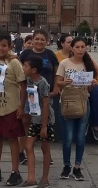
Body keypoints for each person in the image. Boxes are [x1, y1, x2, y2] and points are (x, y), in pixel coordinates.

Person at [56, 37, 98, 181]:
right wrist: (64, 82)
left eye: (82, 47)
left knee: (80, 138)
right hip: (67, 103)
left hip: (83, 103)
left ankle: (77, 167)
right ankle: (66, 165)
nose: (80, 50)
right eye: (77, 47)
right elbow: (58, 82)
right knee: (67, 138)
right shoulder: (64, 63)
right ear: (71, 48)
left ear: (86, 48)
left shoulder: (88, 64)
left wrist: (92, 84)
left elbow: (89, 86)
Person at [0, 32, 26, 186]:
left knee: (12, 139)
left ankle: (15, 171)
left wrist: (21, 106)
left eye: (4, 45)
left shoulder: (14, 63)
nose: (0, 48)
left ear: (10, 47)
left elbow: (23, 85)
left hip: (10, 107)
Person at [18, 29, 59, 165]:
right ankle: (22, 152)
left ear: (47, 41)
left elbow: (56, 73)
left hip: (44, 95)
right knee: (26, 123)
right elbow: (19, 69)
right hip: (29, 95)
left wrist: (55, 89)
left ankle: (46, 153)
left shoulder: (50, 54)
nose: (39, 42)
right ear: (32, 40)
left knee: (43, 122)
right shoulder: (25, 54)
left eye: (42, 39)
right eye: (37, 39)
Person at [23, 55, 55, 188]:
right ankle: (31, 178)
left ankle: (45, 178)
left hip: (44, 120)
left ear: (34, 69)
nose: (23, 68)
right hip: (34, 118)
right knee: (28, 146)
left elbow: (46, 105)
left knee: (45, 148)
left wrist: (44, 127)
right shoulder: (29, 79)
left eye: (25, 66)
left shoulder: (42, 83)